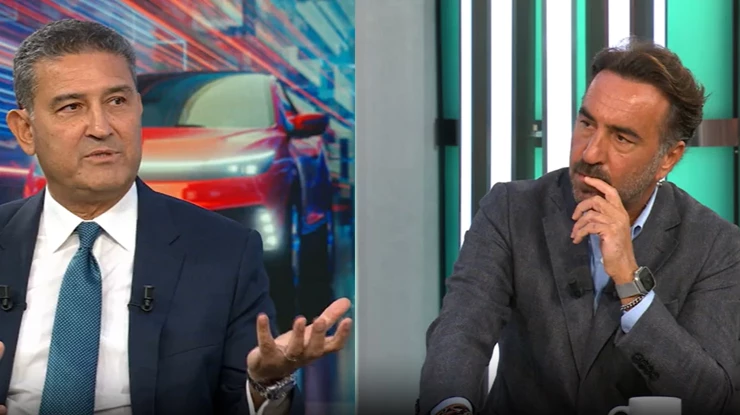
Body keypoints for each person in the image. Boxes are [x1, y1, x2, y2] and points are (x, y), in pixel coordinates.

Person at [0, 19, 352, 415]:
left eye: (117, 102)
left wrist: (266, 384)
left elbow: (242, 402)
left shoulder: (226, 252)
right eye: (71, 107)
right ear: (25, 130)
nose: (101, 127)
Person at [419, 39, 740, 415]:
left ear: (668, 157)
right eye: (587, 123)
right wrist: (450, 406)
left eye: (621, 137)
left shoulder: (716, 246)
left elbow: (712, 397)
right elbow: (460, 331)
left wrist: (631, 285)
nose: (590, 153)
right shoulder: (510, 210)